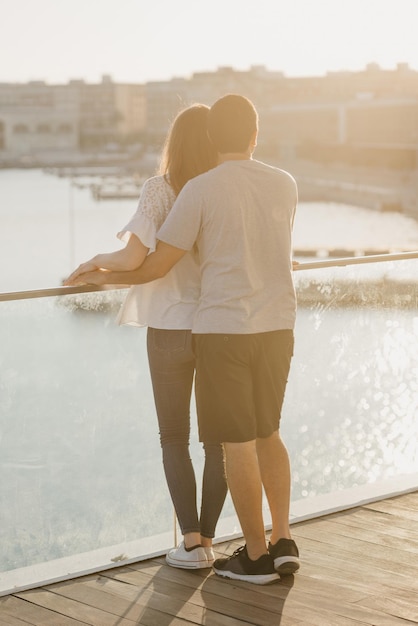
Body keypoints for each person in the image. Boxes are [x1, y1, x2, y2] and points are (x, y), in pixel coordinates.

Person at [67, 94, 300, 585]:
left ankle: (230, 551)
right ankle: (279, 541)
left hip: (214, 327)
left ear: (217, 138)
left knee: (207, 440)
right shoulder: (284, 183)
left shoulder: (194, 189)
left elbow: (146, 264)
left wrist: (99, 271)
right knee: (262, 436)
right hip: (276, 324)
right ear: (256, 135)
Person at [65, 104, 228, 570]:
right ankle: (211, 539)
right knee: (218, 441)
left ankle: (193, 544)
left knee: (174, 437)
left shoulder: (162, 189)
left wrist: (95, 262)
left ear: (172, 144)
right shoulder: (219, 188)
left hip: (170, 328)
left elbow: (134, 257)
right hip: (218, 326)